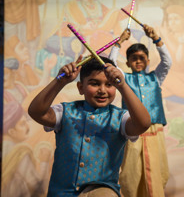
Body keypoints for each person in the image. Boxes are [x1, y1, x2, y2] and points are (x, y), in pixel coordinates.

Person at [28, 55, 151, 197]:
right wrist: (59, 81)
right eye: (95, 83)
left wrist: (123, 85)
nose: (102, 90)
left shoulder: (121, 118)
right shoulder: (65, 112)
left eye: (109, 84)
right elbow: (36, 112)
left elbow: (143, 123)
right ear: (80, 87)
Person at [109, 25, 172, 197]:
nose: (138, 61)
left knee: (158, 172)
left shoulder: (155, 78)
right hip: (133, 133)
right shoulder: (124, 79)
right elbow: (111, 65)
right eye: (133, 58)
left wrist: (157, 39)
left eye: (142, 58)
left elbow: (167, 62)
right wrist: (119, 42)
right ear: (127, 62)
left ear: (148, 61)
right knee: (131, 174)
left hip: (154, 132)